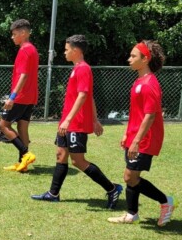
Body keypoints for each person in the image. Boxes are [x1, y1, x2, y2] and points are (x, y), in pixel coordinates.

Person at [31, 35, 123, 208]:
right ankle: (53, 194)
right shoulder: (77, 68)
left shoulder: (83, 69)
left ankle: (112, 189)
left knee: (78, 161)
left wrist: (69, 120)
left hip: (75, 123)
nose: (64, 52)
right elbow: (90, 97)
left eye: (66, 49)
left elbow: (83, 96)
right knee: (61, 155)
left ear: (75, 50)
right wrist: (95, 120)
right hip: (67, 122)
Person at [108, 40, 176, 226]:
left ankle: (166, 201)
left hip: (145, 138)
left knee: (130, 177)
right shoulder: (139, 81)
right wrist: (127, 134)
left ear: (145, 59)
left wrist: (136, 141)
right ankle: (132, 214)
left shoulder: (149, 83)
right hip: (135, 136)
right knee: (132, 177)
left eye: (133, 56)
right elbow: (136, 113)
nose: (129, 59)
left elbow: (150, 115)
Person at [0, 19, 39, 172]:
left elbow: (23, 75)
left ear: (23, 33)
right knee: (22, 127)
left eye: (14, 34)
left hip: (21, 96)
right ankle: (23, 165)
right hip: (30, 96)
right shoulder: (32, 49)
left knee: (3, 126)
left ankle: (26, 154)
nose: (12, 37)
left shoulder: (24, 50)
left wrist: (12, 97)